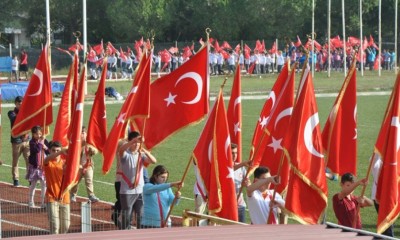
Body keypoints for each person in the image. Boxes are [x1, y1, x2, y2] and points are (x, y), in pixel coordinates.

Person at [118, 131, 157, 229]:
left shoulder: (141, 155)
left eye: (138, 142)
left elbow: (153, 161)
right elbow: (121, 150)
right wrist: (133, 141)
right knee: (127, 217)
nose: (136, 145)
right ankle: (124, 233)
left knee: (141, 216)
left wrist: (144, 151)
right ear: (130, 142)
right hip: (127, 191)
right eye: (134, 142)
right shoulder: (126, 155)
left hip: (139, 190)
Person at [43, 141, 70, 234]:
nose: (55, 152)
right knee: (55, 227)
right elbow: (46, 159)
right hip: (52, 198)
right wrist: (61, 151)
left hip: (64, 197)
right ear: (49, 151)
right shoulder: (48, 162)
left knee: (65, 227)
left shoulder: (65, 164)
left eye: (57, 150)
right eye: (53, 150)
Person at [70, 127, 100, 203]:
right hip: (78, 166)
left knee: (89, 180)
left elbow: (95, 150)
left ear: (86, 134)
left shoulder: (89, 143)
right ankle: (73, 195)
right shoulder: (76, 143)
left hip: (88, 166)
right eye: (80, 132)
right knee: (75, 181)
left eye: (83, 132)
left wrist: (93, 151)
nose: (82, 134)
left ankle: (91, 195)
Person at [8, 96, 30, 187]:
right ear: (15, 104)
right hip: (16, 141)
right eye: (18, 104)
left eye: (22, 103)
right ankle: (16, 179)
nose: (20, 105)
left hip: (26, 140)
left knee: (29, 161)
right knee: (15, 161)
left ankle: (30, 179)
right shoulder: (11, 113)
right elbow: (15, 120)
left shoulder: (27, 112)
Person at [27, 125, 49, 208]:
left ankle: (43, 202)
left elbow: (48, 151)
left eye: (40, 134)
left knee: (44, 185)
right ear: (33, 134)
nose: (39, 136)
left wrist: (45, 147)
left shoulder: (44, 140)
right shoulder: (32, 142)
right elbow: (36, 150)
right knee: (33, 184)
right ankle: (30, 201)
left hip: (42, 167)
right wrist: (40, 142)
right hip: (35, 167)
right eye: (37, 134)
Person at [231, 143, 250, 223]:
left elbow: (249, 184)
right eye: (232, 153)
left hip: (240, 205)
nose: (234, 155)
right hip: (229, 205)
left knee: (241, 230)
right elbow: (229, 170)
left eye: (236, 153)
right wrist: (242, 164)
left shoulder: (241, 168)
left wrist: (246, 184)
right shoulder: (223, 167)